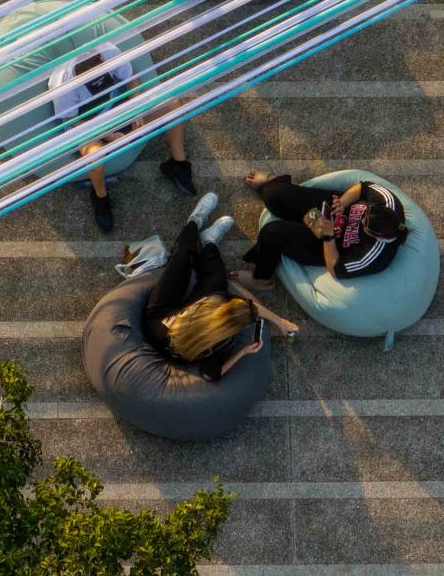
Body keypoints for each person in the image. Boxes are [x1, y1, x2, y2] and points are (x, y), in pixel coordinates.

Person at [143, 192, 299, 381]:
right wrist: (245, 350)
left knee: (182, 258)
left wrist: (276, 324)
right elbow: (211, 374)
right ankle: (205, 236)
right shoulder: (221, 342)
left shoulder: (214, 328)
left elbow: (210, 374)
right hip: (188, 318)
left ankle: (197, 226)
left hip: (158, 317)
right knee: (212, 276)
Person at [48, 41, 195, 232]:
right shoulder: (62, 84)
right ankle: (100, 197)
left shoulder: (109, 52)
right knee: (95, 157)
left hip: (116, 110)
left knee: (173, 105)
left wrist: (137, 111)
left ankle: (178, 164)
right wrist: (108, 135)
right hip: (87, 127)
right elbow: (72, 120)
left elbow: (131, 79)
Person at [235, 172, 411, 290]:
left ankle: (262, 279)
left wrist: (328, 236)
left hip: (327, 246)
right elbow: (362, 187)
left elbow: (336, 269)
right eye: (365, 212)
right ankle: (275, 181)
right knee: (274, 194)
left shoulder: (373, 255)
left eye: (362, 222)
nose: (360, 215)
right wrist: (342, 203)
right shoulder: (387, 201)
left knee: (271, 233)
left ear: (373, 235)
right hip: (333, 209)